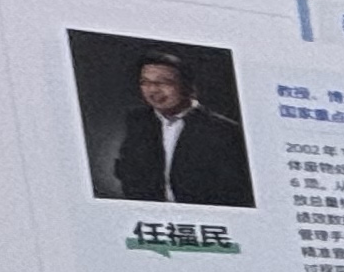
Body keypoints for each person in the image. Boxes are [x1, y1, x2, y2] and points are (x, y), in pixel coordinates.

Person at [105, 48, 252, 206]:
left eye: (164, 82)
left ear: (189, 87)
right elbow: (129, 172)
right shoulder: (138, 120)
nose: (153, 90)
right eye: (145, 82)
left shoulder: (224, 130)